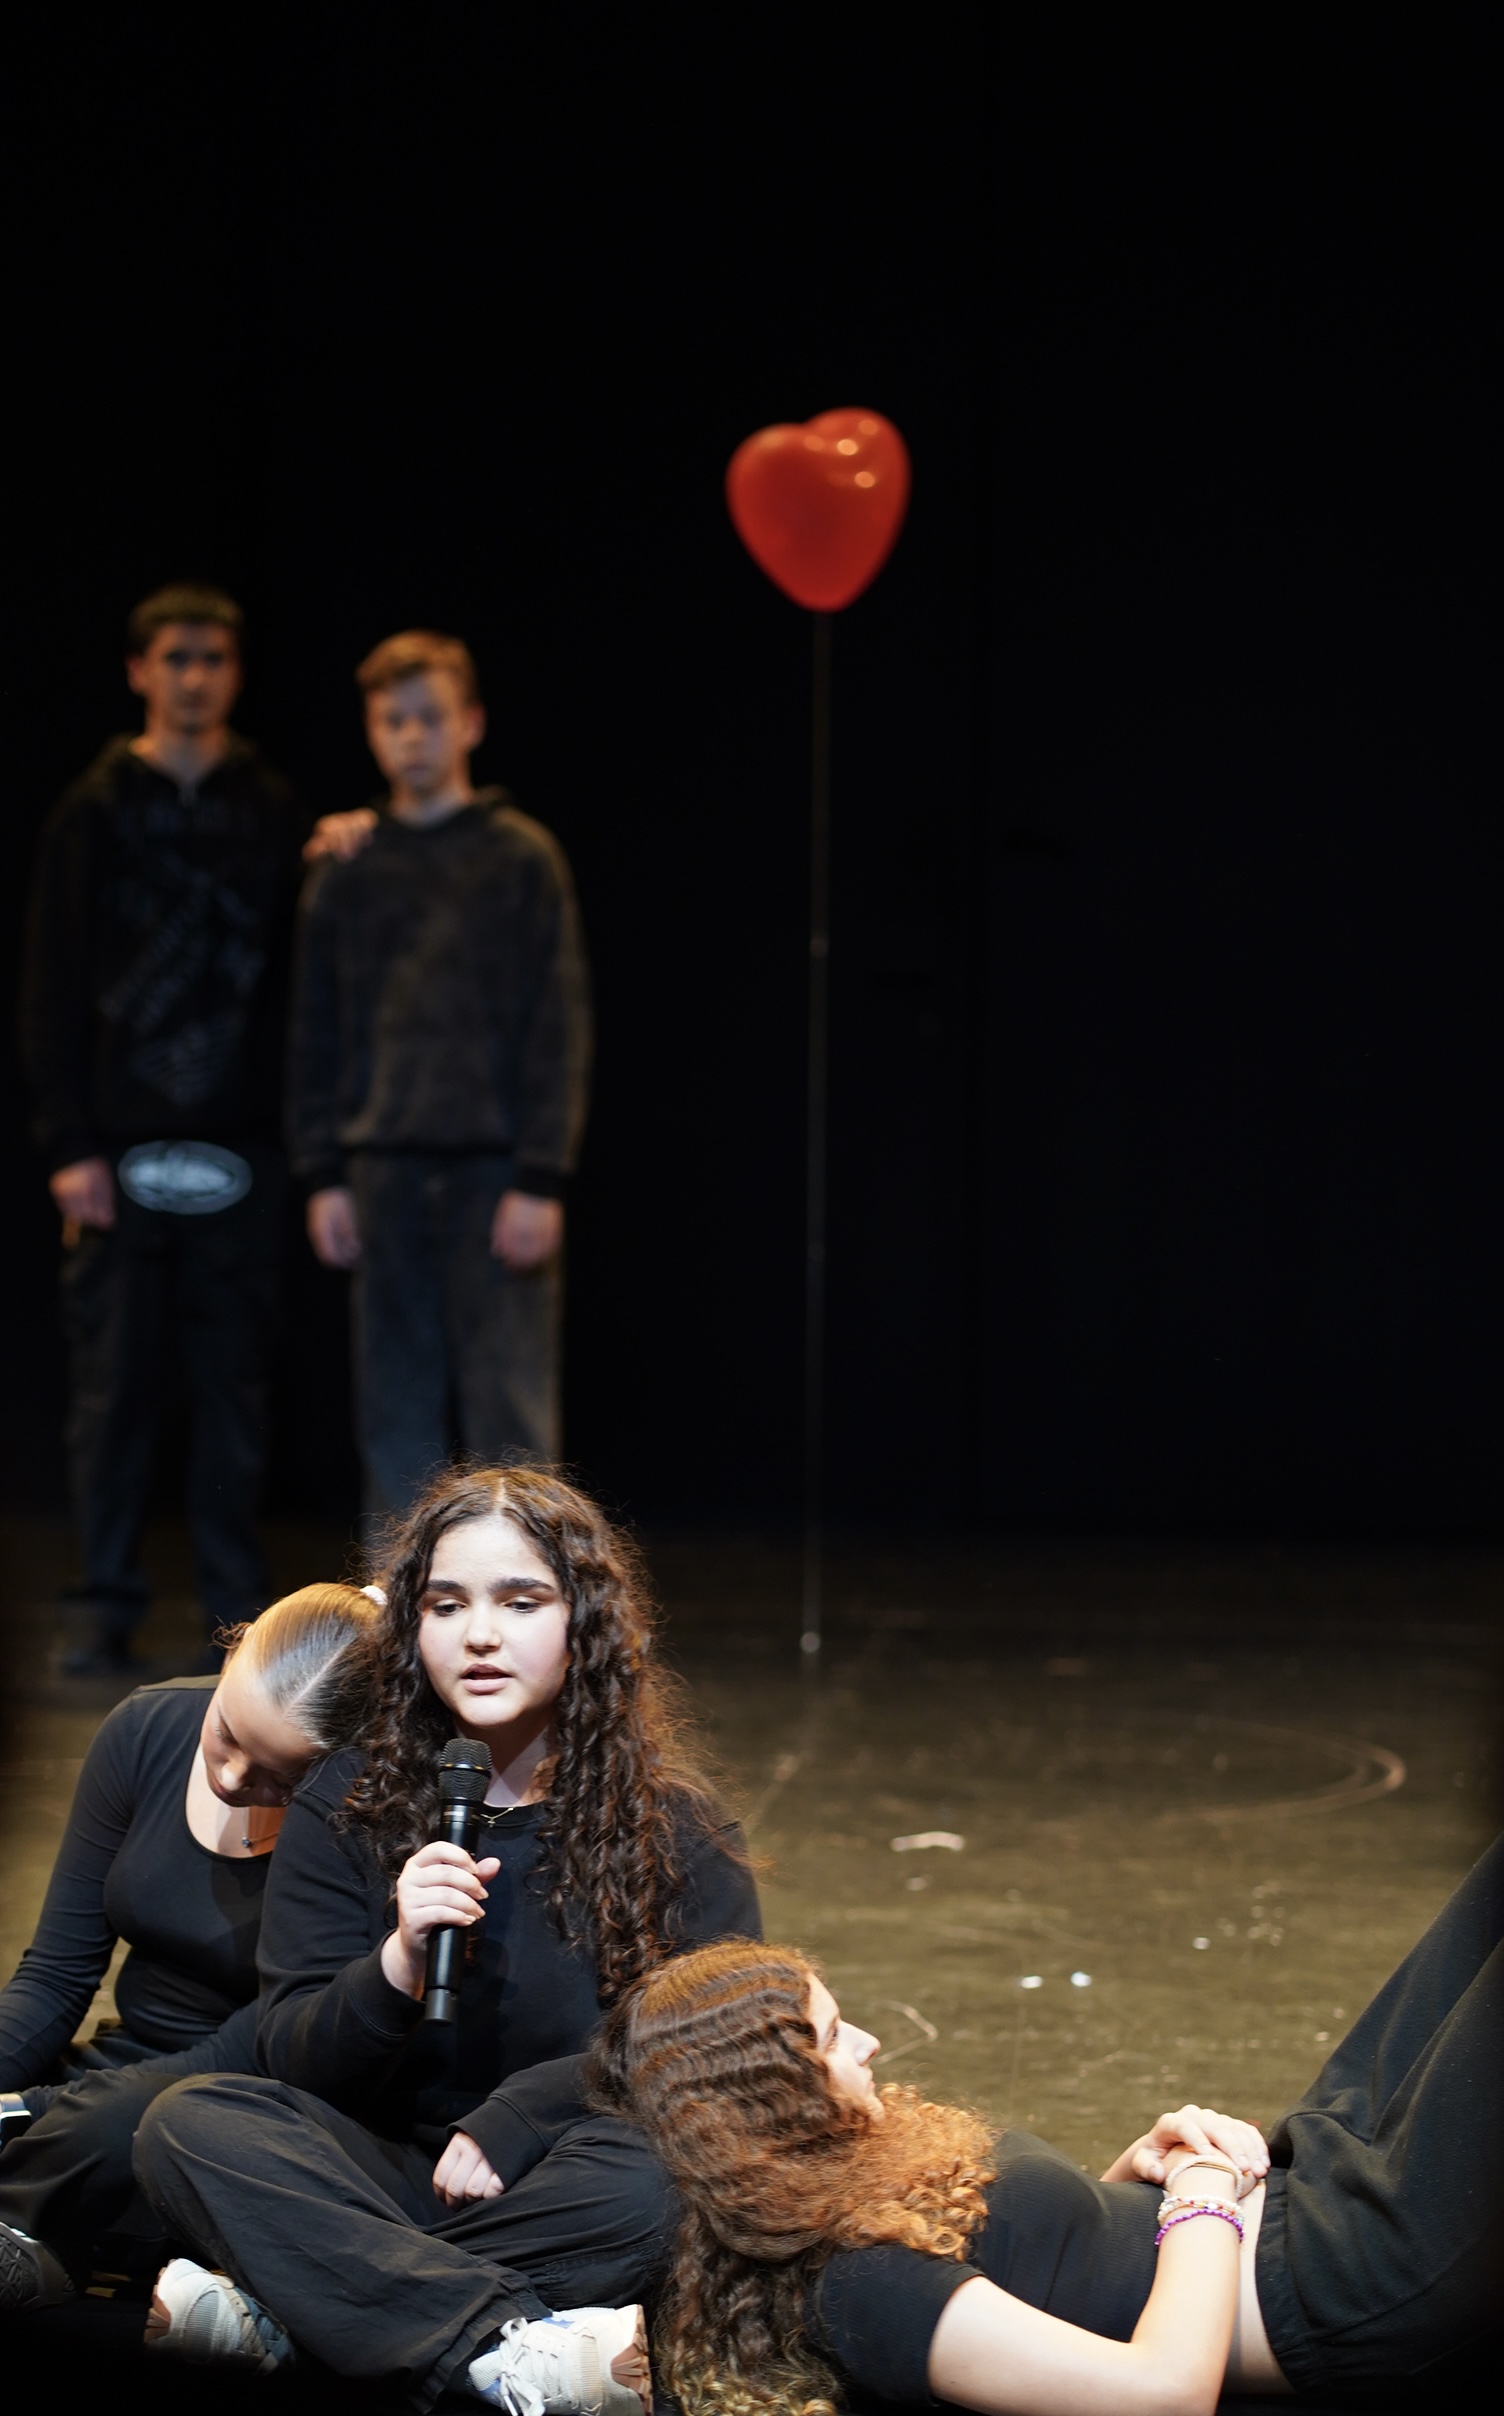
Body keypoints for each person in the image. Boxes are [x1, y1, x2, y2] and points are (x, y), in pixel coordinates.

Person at [132, 1465, 759, 2410]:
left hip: (562, 2179)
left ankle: (307, 2312)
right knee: (191, 2124)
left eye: (521, 1602)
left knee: (660, 2187)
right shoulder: (347, 1799)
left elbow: (714, 2052)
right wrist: (394, 1965)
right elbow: (290, 2053)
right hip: (381, 2173)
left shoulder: (679, 1830)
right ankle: (504, 2347)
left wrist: (525, 2114)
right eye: (446, 1605)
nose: (480, 1635)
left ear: (584, 1623)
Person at [578, 1848, 1503, 2416]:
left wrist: (1139, 2169)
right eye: (830, 2038)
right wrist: (1201, 2195)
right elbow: (1165, 2393)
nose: (867, 2041)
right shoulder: (860, 2291)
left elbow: (1057, 2276)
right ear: (771, 2100)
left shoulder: (844, 2190)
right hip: (1350, 2280)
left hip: (1310, 2194)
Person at [19, 584, 305, 1672]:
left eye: (214, 658)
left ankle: (238, 1622)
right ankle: (103, 1603)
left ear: (236, 674)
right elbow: (50, 983)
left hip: (243, 1154)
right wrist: (68, 1143)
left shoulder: (271, 807)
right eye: (176, 657)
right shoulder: (92, 809)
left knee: (234, 1399)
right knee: (114, 1396)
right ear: (140, 670)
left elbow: (297, 982)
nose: (195, 677)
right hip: (117, 1155)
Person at [0, 1582, 378, 2310]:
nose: (233, 1778)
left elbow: (264, 2044)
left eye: (279, 1778)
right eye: (227, 1733)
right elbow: (53, 1976)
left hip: (250, 2094)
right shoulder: (147, 1727)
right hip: (114, 2074)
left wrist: (37, 2108)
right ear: (231, 1653)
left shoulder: (360, 1821)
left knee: (121, 2135)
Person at [286, 632, 592, 1524]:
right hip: (382, 1164)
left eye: (430, 717)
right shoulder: (348, 868)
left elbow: (558, 1024)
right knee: (394, 1409)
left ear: (471, 724)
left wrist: (541, 1177)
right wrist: (323, 1173)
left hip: (495, 1169)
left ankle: (532, 1589)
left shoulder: (521, 857)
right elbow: (315, 1030)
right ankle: (403, 1601)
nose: (412, 736)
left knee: (511, 1408)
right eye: (393, 720)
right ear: (370, 731)